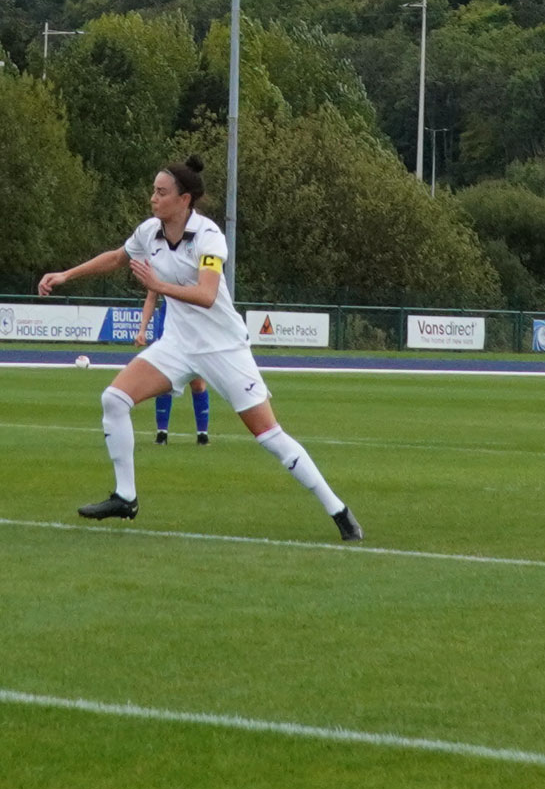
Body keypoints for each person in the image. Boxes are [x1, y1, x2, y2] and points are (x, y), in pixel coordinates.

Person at [38, 156, 361, 541]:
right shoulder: (149, 231)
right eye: (154, 191)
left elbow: (207, 295)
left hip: (223, 347)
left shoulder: (208, 237)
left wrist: (158, 285)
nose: (153, 198)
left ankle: (338, 511)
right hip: (177, 344)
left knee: (270, 436)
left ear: (184, 199)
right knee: (114, 399)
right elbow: (117, 257)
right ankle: (125, 497)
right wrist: (66, 274)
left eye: (162, 192)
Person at [136, 291, 209, 445]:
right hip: (167, 330)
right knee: (164, 381)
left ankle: (202, 435)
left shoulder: (195, 271)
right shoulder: (160, 269)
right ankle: (162, 433)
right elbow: (151, 298)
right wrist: (142, 330)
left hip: (193, 328)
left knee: (197, 383)